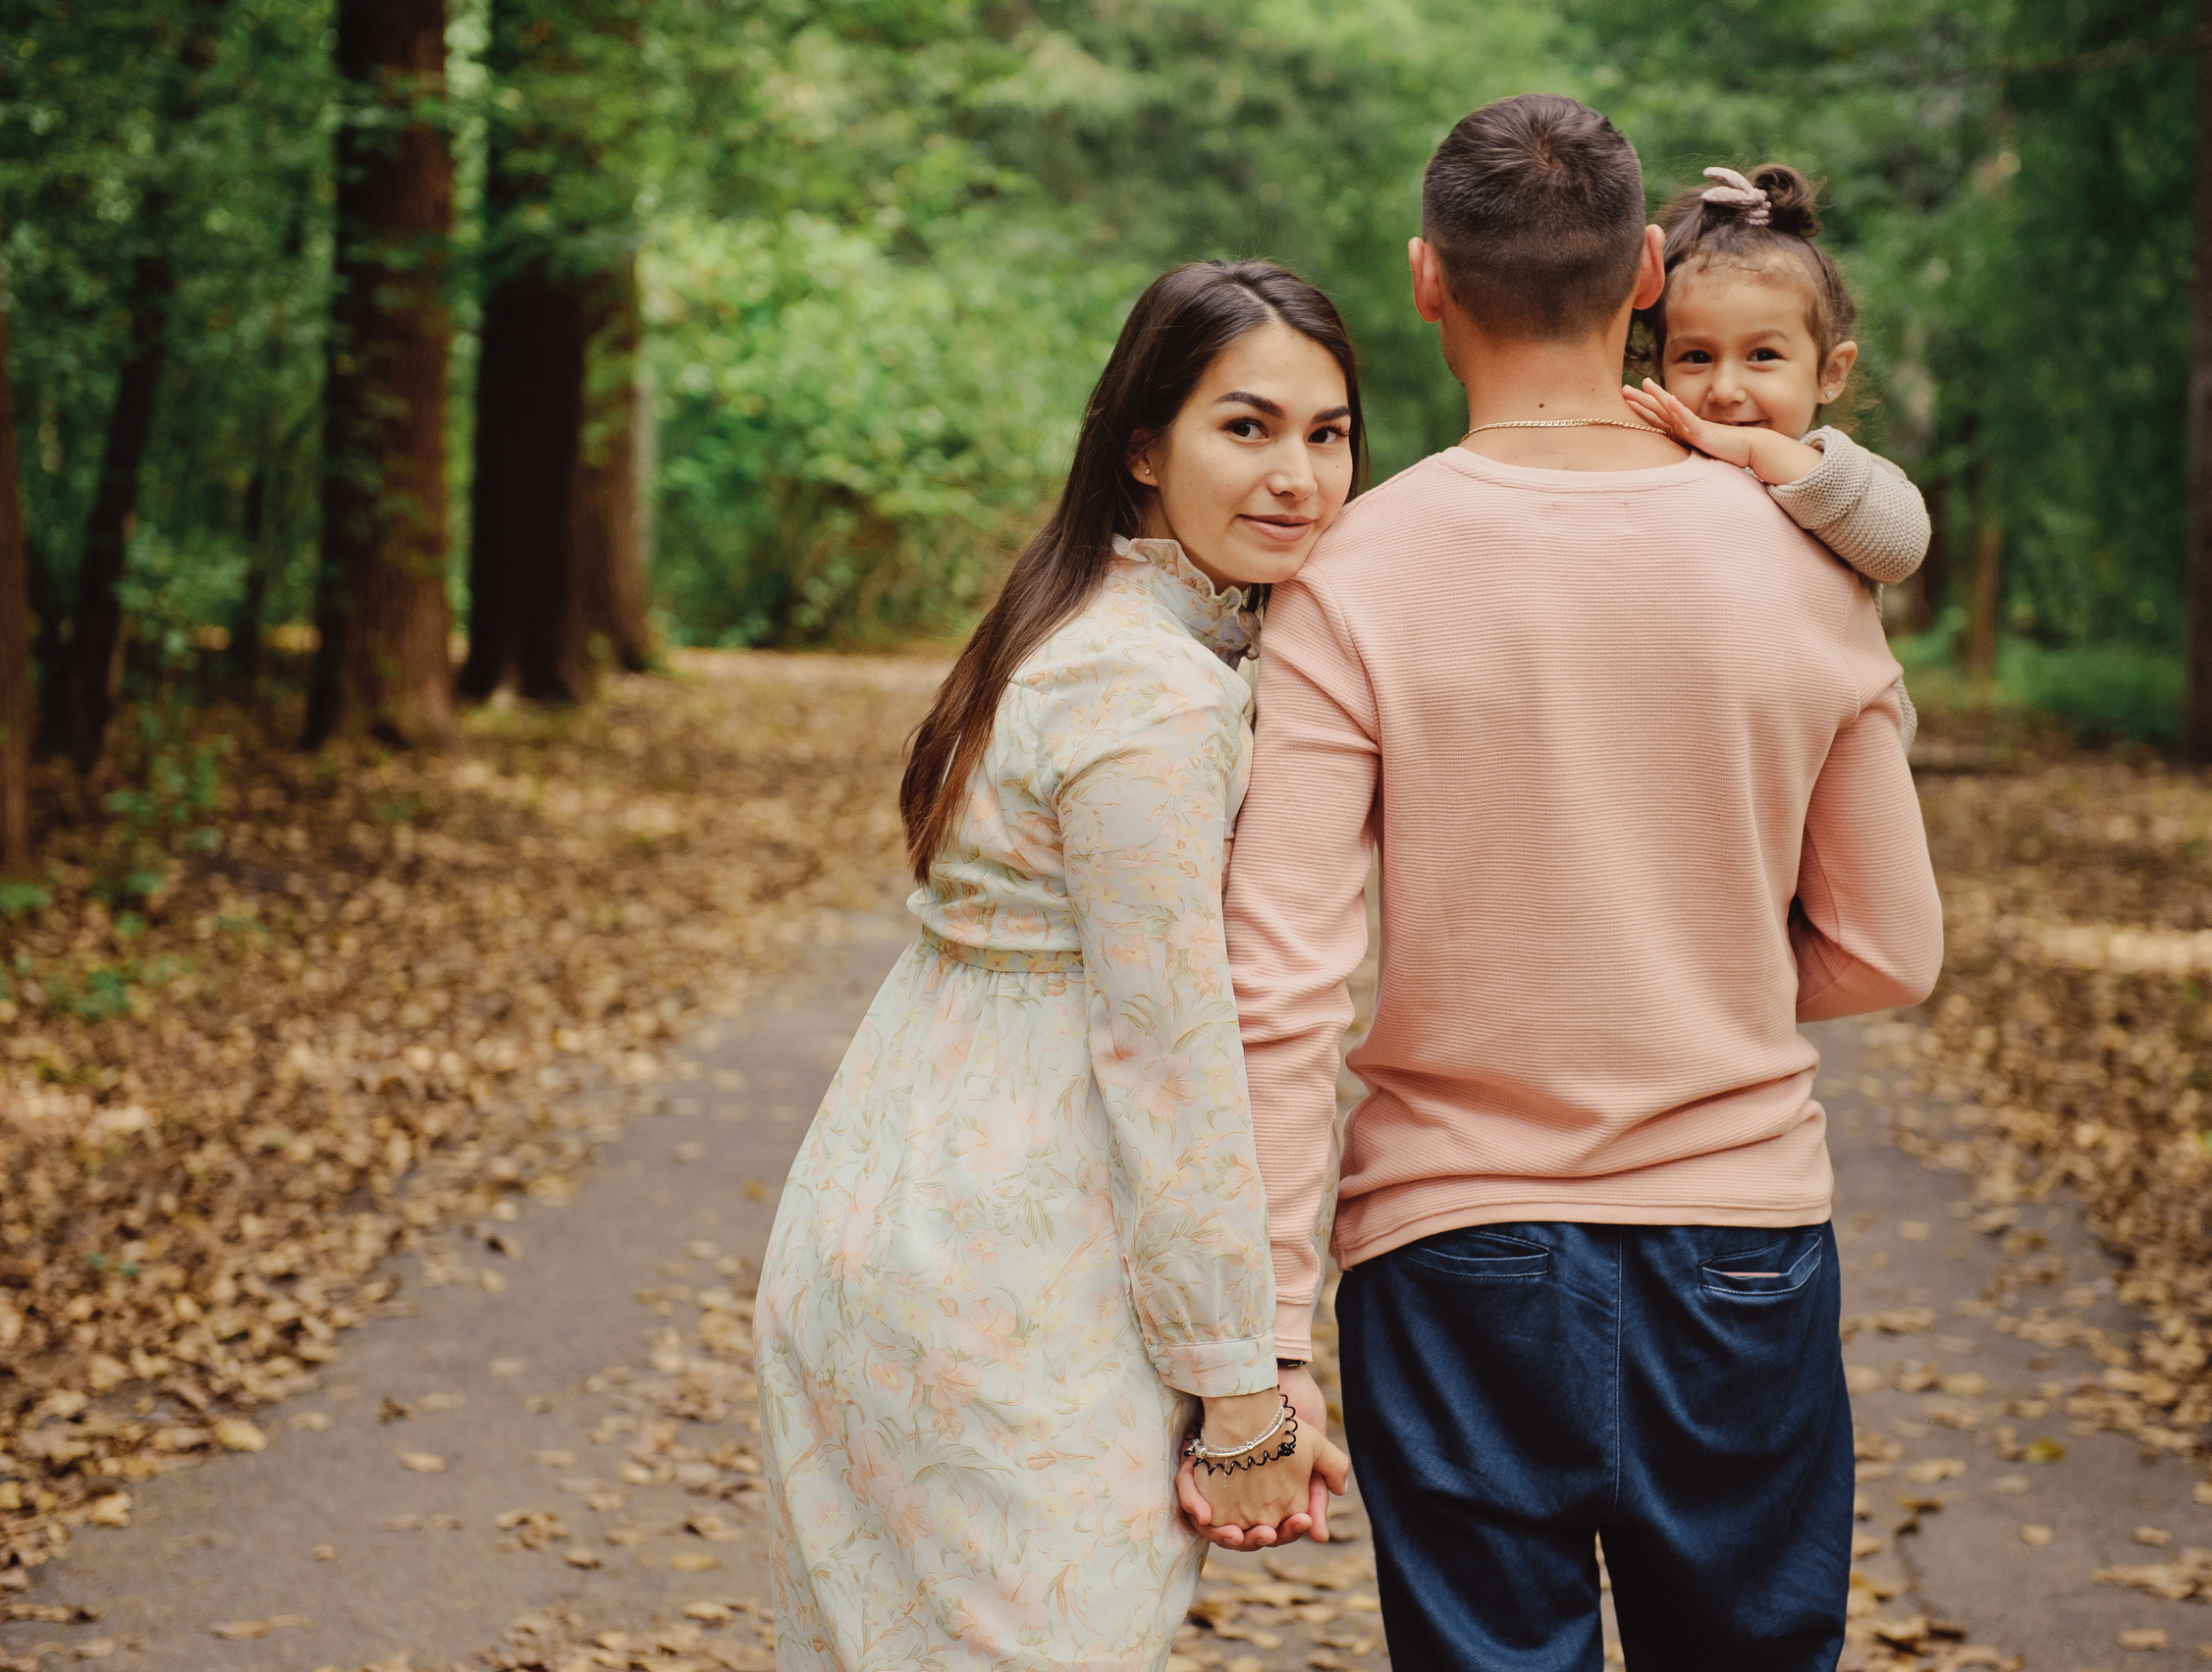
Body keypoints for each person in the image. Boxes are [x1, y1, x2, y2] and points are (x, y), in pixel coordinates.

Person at [1216, 95, 1944, 1668]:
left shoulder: (1347, 570)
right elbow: (1891, 947)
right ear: (1641, 279)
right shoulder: (1810, 551)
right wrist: (1691, 961)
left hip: (1448, 1252)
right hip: (1740, 1243)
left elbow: (1278, 988)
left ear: (1425, 278)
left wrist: (1265, 1339)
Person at [753, 259, 1355, 1671]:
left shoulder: (1082, 622)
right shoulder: (1152, 694)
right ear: (1142, 445)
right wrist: (1243, 1387)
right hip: (1006, 1282)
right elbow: (1172, 1056)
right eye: (1247, 427)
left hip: (890, 1219)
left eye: (1328, 433)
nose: (1299, 476)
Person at [1621, 163, 1931, 751]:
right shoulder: (1652, 466)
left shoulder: (1831, 471)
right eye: (1695, 358)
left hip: (1829, 761)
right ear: (1657, 364)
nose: (1726, 389)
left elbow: (1900, 545)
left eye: (1762, 355)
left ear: (1830, 372)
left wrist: (1757, 449)